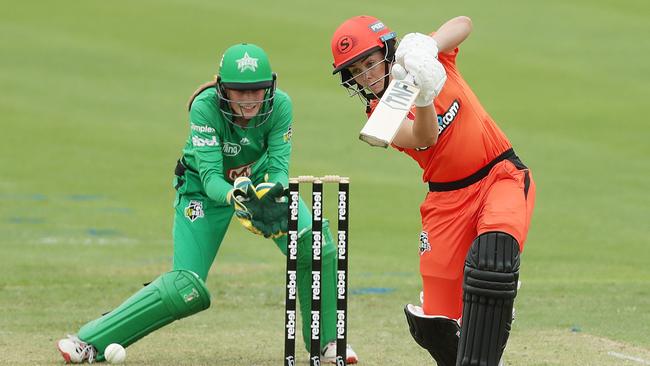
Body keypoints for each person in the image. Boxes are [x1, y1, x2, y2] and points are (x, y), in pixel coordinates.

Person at [56, 43, 358, 364]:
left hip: (256, 185)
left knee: (315, 243)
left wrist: (269, 195)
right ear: (221, 87)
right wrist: (237, 197)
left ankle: (327, 343)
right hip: (201, 191)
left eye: (256, 91)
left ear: (270, 85)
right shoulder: (204, 107)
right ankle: (88, 340)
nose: (249, 100)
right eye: (239, 92)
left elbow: (279, 170)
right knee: (185, 288)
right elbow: (212, 176)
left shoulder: (281, 105)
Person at [330, 16, 536, 366]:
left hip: (499, 176)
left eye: (369, 62)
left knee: (493, 260)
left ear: (386, 49)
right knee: (433, 326)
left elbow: (465, 23)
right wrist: (424, 95)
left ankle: (496, 301)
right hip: (446, 202)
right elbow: (425, 137)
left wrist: (430, 45)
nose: (366, 75)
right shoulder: (381, 113)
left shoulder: (421, 57)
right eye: (355, 70)